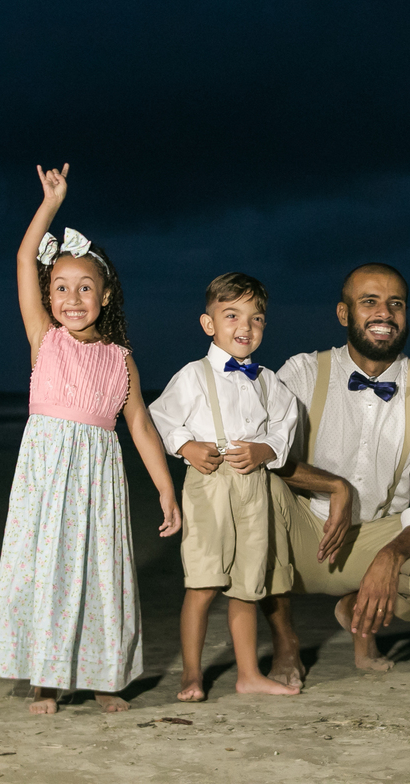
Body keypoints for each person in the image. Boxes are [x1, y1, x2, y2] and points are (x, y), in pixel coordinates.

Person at [0, 164, 181, 715]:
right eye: (61, 287)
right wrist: (51, 203)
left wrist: (167, 490)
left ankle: (104, 675)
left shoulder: (121, 359)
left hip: (99, 476)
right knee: (46, 569)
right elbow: (26, 257)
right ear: (48, 296)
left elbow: (141, 425)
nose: (73, 297)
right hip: (47, 476)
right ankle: (45, 681)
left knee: (103, 572)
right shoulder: (44, 339)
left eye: (85, 287)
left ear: (105, 295)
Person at [262, 263, 410, 686]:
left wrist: (391, 554)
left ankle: (357, 611)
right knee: (250, 489)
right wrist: (334, 486)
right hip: (302, 535)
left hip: (375, 536)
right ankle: (286, 644)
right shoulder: (302, 372)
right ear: (344, 314)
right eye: (370, 302)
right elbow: (267, 454)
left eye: (396, 303)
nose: (385, 312)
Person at [149, 273, 302, 701]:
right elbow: (162, 417)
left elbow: (284, 427)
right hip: (210, 485)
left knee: (247, 586)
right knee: (202, 582)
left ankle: (248, 673)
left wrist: (264, 451)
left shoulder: (269, 381)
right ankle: (191, 674)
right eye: (232, 315)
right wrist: (187, 446)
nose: (245, 327)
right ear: (208, 323)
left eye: (256, 318)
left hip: (253, 487)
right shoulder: (193, 376)